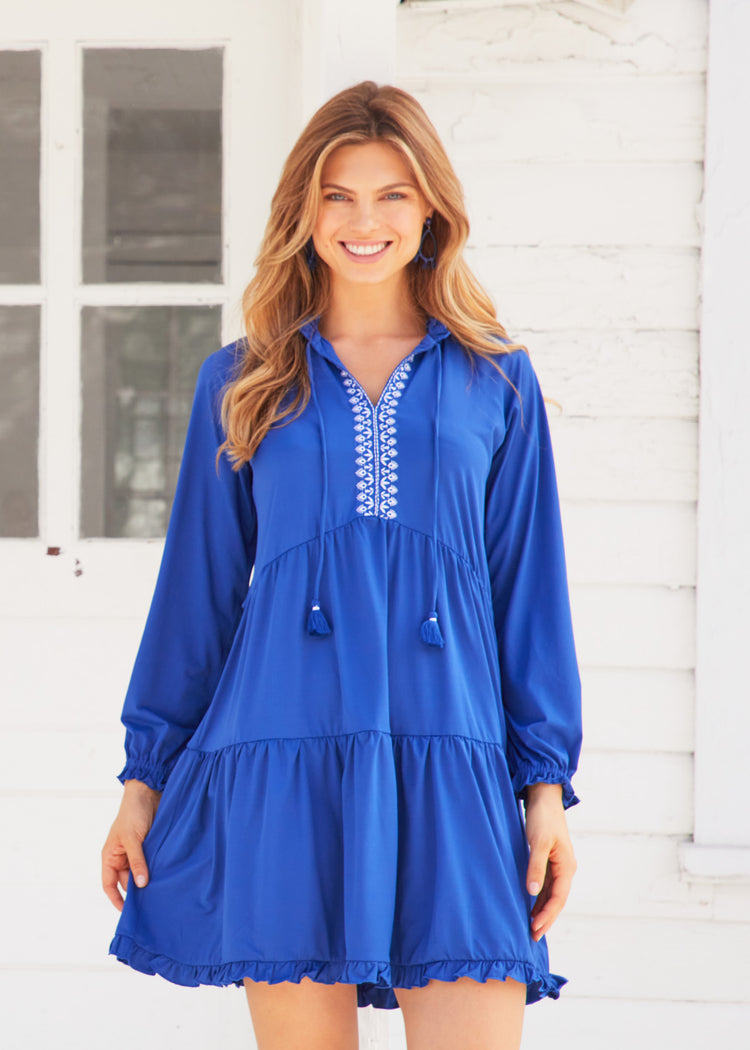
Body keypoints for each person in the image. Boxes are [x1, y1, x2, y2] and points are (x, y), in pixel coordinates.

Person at [101, 80, 582, 1050]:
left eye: (392, 195)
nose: (365, 221)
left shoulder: (497, 376)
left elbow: (528, 595)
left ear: (433, 210)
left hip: (452, 758)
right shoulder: (242, 378)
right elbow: (196, 596)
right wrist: (142, 780)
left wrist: (544, 790)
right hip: (284, 759)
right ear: (304, 211)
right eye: (339, 196)